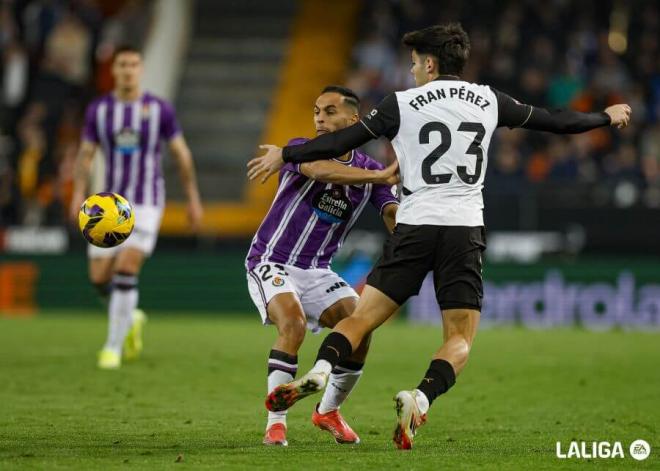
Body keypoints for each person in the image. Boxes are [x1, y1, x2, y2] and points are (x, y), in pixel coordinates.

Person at [247, 23, 631, 449]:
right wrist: (603, 117)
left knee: (360, 318)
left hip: (415, 224)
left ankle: (321, 370)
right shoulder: (488, 99)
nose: (411, 72)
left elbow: (343, 139)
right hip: (464, 229)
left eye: (413, 64)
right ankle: (421, 397)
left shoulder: (400, 104)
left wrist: (288, 153)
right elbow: (554, 121)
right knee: (459, 338)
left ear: (430, 63)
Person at [246, 85, 399, 446]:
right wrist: (378, 178)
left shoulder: (371, 171)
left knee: (359, 328)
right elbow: (321, 171)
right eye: (316, 111)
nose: (319, 118)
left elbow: (391, 213)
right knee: (294, 324)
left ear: (353, 119)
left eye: (329, 112)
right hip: (272, 260)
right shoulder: (304, 148)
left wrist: (407, 231)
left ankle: (328, 411)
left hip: (317, 269)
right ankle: (276, 423)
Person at [70, 45, 203, 370]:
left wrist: (192, 198)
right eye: (122, 65)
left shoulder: (159, 109)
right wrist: (77, 194)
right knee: (100, 278)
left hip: (145, 202)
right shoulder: (98, 110)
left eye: (133, 64)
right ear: (114, 70)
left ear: (140, 69)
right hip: (106, 203)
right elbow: (86, 154)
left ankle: (112, 348)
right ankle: (131, 316)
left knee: (126, 269)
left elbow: (181, 154)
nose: (128, 70)